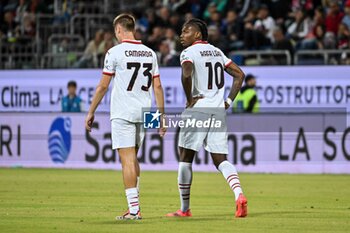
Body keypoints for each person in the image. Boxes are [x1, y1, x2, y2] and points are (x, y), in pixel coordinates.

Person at [85, 13, 166, 220]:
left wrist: (91, 111)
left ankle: (134, 210)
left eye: (115, 31)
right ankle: (134, 207)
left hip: (123, 113)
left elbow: (103, 85)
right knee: (133, 158)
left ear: (119, 30)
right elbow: (157, 86)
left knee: (127, 160)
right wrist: (161, 116)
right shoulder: (150, 53)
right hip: (145, 112)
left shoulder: (114, 52)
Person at [166, 18, 247, 218]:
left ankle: (185, 209)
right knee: (220, 159)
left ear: (197, 35)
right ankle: (239, 195)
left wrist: (189, 99)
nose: (181, 35)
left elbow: (186, 73)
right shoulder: (217, 52)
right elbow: (239, 75)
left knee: (185, 158)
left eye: (186, 31)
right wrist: (227, 101)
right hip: (218, 110)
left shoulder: (188, 53)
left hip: (198, 109)